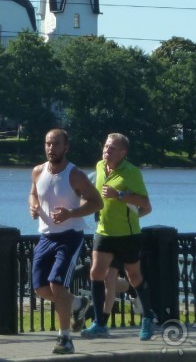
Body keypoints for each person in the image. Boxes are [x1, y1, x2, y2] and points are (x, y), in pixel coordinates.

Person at [29, 128, 102, 355]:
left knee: (57, 285)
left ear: (66, 147)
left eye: (56, 144)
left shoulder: (75, 175)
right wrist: (33, 205)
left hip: (70, 235)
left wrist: (71, 213)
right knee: (41, 288)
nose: (51, 148)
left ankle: (65, 338)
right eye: (48, 144)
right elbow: (33, 193)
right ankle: (78, 305)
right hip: (46, 235)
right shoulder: (38, 171)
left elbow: (96, 202)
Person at [81, 133, 154, 341]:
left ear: (123, 152)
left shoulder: (132, 173)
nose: (107, 151)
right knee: (96, 273)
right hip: (104, 231)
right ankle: (100, 323)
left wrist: (120, 195)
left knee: (134, 276)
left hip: (127, 235)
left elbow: (145, 203)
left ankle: (148, 317)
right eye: (105, 146)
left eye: (112, 148)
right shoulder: (98, 167)